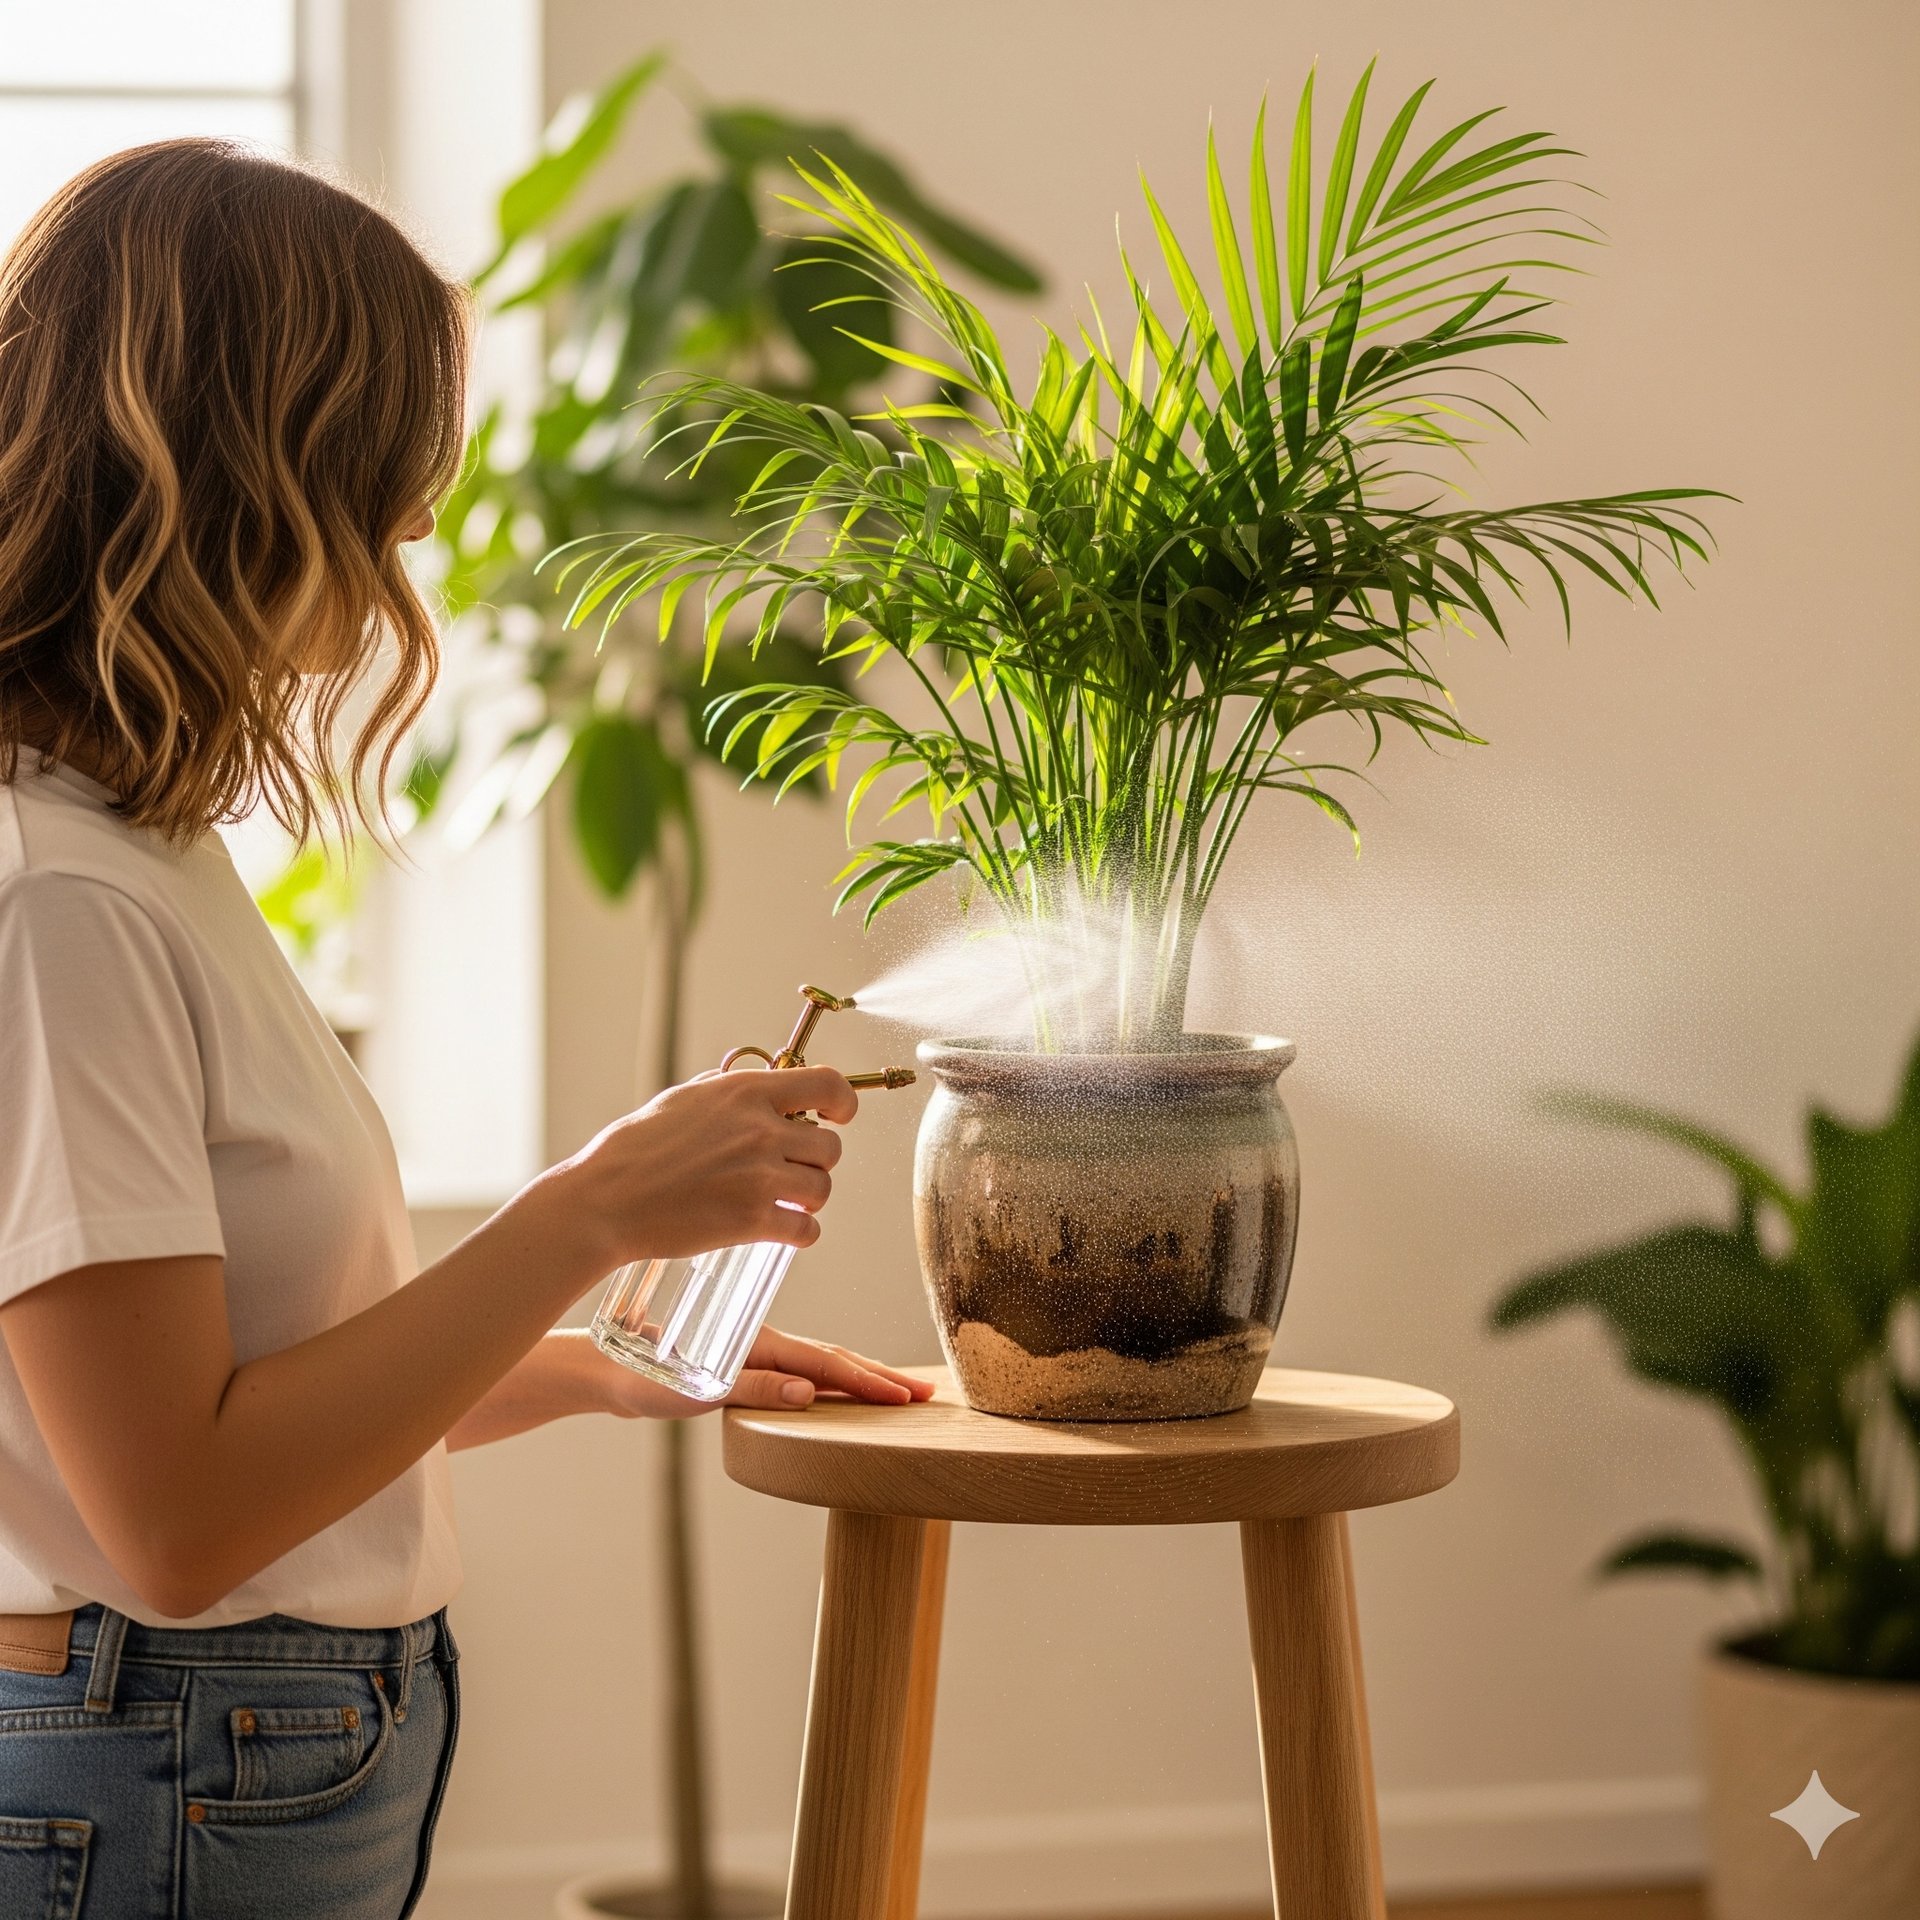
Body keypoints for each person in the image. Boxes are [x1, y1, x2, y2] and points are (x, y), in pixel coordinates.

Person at [0, 139, 931, 1919]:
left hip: (218, 1747)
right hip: (173, 1759)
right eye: (381, 477)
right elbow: (178, 1516)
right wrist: (586, 1210)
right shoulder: (61, 901)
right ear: (246, 474)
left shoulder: (135, 850)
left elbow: (239, 1383)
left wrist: (602, 1356)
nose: (414, 535)